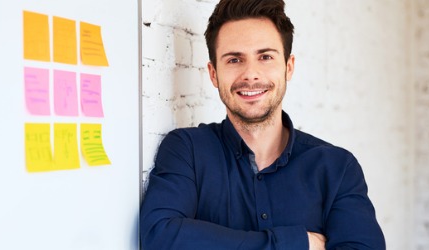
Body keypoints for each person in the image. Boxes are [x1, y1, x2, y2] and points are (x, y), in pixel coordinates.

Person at [140, 0, 386, 249]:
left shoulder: (337, 168)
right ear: (213, 73)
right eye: (234, 60)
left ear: (288, 67)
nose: (251, 74)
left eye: (265, 57)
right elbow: (161, 236)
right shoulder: (187, 151)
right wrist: (297, 243)